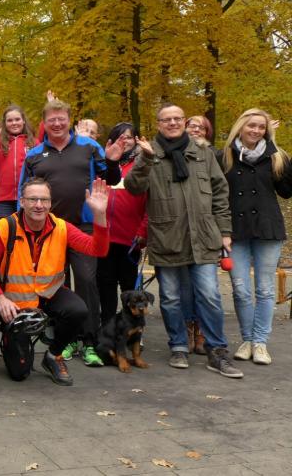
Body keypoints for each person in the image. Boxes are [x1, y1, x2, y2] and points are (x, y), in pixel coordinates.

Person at [125, 103, 243, 378]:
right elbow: (133, 187)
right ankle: (178, 345)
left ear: (184, 121)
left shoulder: (202, 152)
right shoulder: (149, 152)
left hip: (203, 236)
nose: (173, 123)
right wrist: (145, 159)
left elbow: (220, 192)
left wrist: (225, 231)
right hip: (167, 238)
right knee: (170, 298)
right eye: (166, 119)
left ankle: (217, 350)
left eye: (177, 118)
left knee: (210, 296)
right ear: (159, 124)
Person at [20, 99, 123, 366]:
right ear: (45, 123)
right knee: (55, 284)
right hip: (48, 229)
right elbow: (24, 192)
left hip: (83, 226)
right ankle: (64, 340)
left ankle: (89, 341)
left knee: (87, 281)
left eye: (61, 119)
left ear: (70, 120)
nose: (57, 123)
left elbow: (111, 178)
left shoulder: (90, 147)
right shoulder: (34, 155)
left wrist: (112, 162)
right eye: (51, 119)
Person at [0, 177, 110, 385]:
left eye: (44, 200)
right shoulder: (5, 227)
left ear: (51, 203)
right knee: (19, 373)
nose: (39, 205)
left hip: (49, 293)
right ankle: (9, 336)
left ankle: (53, 355)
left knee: (78, 310)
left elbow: (99, 249)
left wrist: (99, 214)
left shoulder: (62, 227)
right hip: (16, 303)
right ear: (22, 202)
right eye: (33, 199)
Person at [220, 108, 292, 365]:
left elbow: (286, 191)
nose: (256, 130)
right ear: (240, 126)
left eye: (261, 127)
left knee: (264, 289)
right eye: (251, 125)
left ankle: (260, 342)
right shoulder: (225, 156)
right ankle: (247, 339)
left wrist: (284, 160)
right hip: (235, 231)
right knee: (240, 289)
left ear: (267, 131)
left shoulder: (276, 156)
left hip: (267, 228)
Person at [95, 123, 147, 326]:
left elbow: (150, 203)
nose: (125, 141)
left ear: (136, 140)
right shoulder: (104, 165)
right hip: (104, 239)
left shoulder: (142, 166)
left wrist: (143, 230)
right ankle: (107, 329)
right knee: (105, 287)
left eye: (129, 137)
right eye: (120, 137)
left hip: (130, 239)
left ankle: (132, 330)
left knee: (130, 290)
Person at [182, 115, 215, 354]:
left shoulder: (213, 156)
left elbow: (221, 192)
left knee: (206, 288)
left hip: (206, 229)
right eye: (192, 125)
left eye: (201, 127)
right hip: (180, 230)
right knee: (184, 288)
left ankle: (202, 331)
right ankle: (188, 329)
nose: (196, 130)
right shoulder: (174, 153)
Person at [0, 105, 34, 227]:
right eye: (10, 120)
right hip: (4, 200)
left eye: (17, 119)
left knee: (27, 230)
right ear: (4, 124)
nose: (14, 123)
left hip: (28, 197)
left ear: (23, 121)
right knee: (3, 231)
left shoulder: (33, 142)